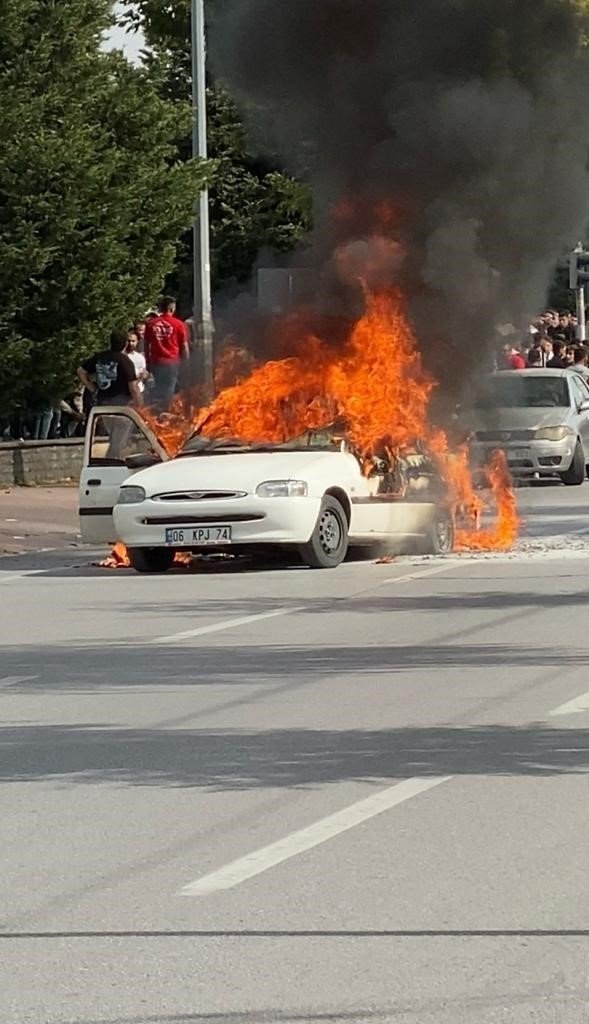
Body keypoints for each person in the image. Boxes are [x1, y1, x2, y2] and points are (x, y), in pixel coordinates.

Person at [144, 296, 189, 411]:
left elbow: (146, 345)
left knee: (159, 389)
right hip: (172, 362)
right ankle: (165, 412)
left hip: (156, 362)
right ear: (172, 308)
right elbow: (184, 346)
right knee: (170, 390)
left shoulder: (151, 324)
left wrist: (148, 362)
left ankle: (158, 412)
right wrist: (187, 364)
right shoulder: (179, 324)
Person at [77, 329, 142, 407]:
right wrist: (140, 405)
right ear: (126, 343)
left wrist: (91, 387)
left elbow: (80, 371)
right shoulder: (125, 361)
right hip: (121, 405)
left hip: (101, 402)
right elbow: (133, 388)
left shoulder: (100, 357)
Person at [125, 329, 149, 394]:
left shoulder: (140, 357)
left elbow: (144, 373)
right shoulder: (122, 356)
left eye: (133, 341)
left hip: (139, 390)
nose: (130, 343)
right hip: (124, 391)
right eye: (128, 341)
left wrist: (145, 375)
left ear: (137, 342)